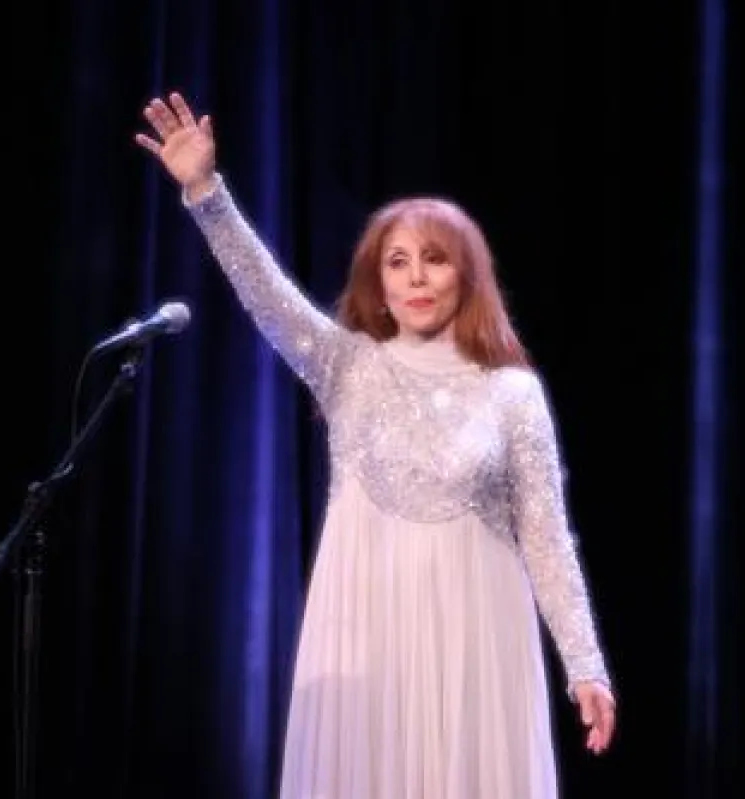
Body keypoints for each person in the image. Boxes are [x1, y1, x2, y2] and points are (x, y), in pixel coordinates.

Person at [134, 91, 616, 798]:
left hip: (476, 641)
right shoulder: (348, 367)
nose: (416, 276)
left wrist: (585, 664)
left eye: (434, 259)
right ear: (379, 283)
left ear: (466, 276)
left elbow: (546, 536)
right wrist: (208, 194)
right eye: (397, 262)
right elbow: (266, 295)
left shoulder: (513, 393)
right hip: (366, 636)